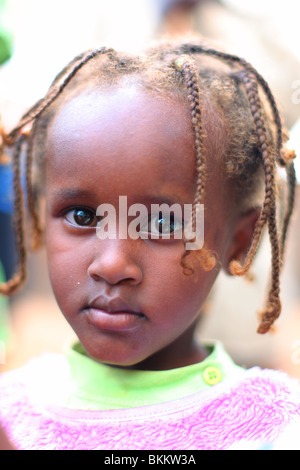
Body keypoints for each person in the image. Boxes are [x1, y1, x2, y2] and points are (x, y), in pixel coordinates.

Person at [0, 39, 299, 450]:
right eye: (82, 217)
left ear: (239, 242)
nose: (112, 264)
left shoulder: (272, 430)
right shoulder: (13, 410)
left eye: (161, 223)